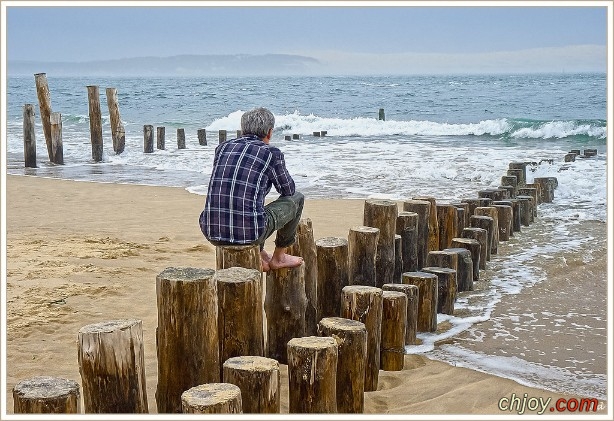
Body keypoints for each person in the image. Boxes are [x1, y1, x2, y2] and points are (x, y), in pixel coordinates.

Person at [199, 107, 304, 271]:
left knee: (247, 198)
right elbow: (288, 190)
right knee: (297, 198)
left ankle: (260, 252)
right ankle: (279, 256)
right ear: (269, 132)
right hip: (250, 233)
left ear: (243, 129)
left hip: (212, 231)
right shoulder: (271, 153)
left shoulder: (222, 147)